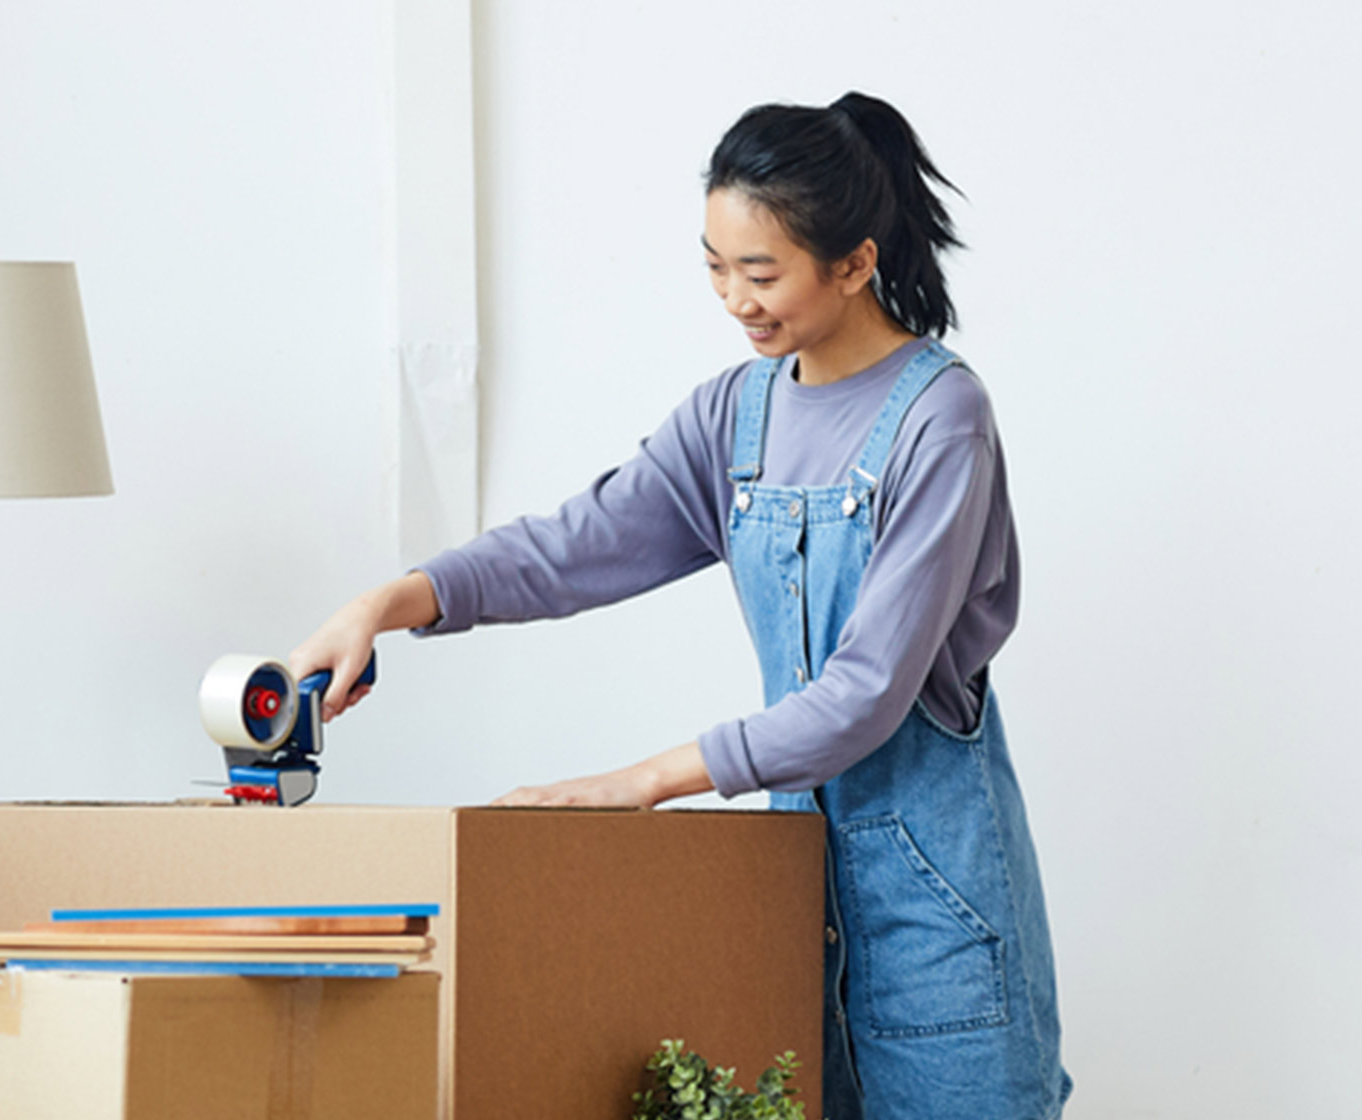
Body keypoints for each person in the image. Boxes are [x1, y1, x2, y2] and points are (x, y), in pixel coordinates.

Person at [285, 94, 1072, 1119]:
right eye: (714, 265)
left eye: (761, 272)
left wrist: (642, 783)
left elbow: (866, 694)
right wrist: (388, 602)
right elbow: (576, 545)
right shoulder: (734, 417)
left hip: (940, 918)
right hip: (792, 898)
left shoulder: (940, 420)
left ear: (855, 262)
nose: (735, 298)